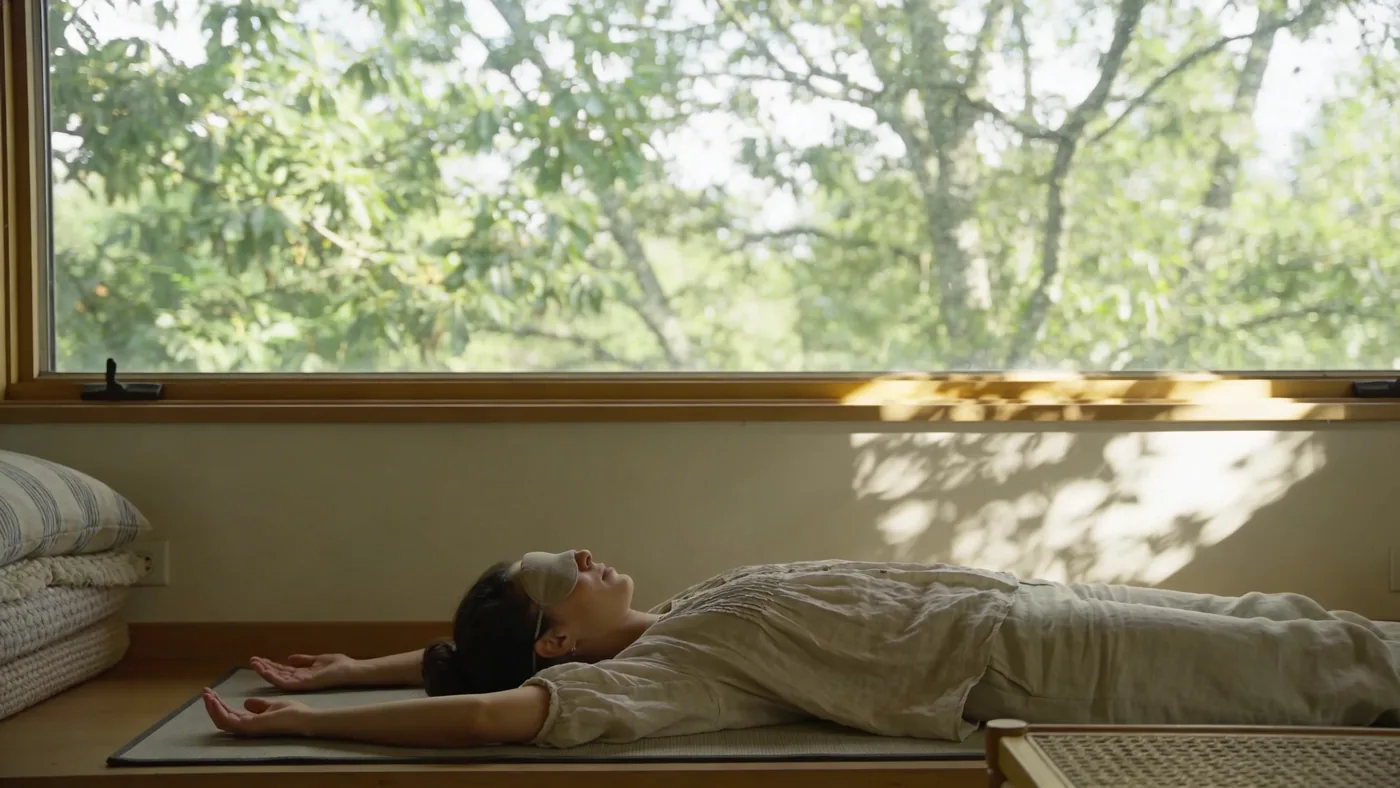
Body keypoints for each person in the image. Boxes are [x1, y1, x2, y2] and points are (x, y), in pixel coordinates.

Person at [201, 550, 1400, 748]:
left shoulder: (685, 605)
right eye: (560, 569)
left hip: (1034, 598)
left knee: (1298, 621)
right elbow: (492, 711)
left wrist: (347, 667)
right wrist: (311, 725)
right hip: (1038, 665)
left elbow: (466, 668)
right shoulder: (657, 674)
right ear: (559, 634)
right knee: (1330, 676)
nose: (585, 549)